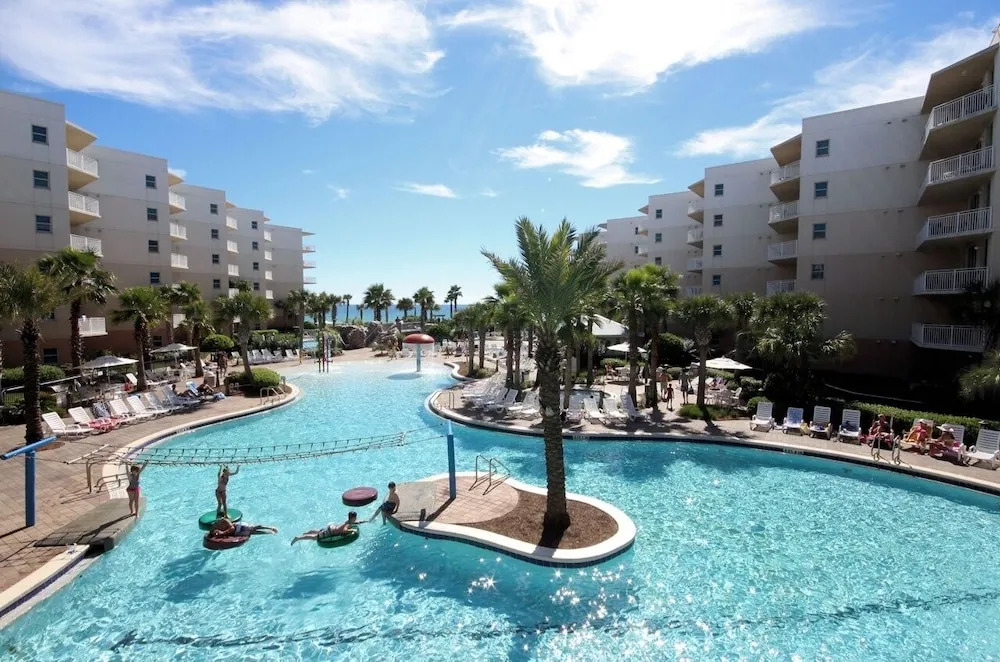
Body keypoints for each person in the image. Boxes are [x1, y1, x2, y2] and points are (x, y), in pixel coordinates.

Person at [290, 512, 360, 545]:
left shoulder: (348, 521)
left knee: (319, 531)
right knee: (315, 537)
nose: (356, 518)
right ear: (353, 518)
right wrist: (352, 530)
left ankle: (306, 533)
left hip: (332, 527)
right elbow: (344, 530)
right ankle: (298, 538)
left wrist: (362, 521)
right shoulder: (348, 523)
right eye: (355, 517)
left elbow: (354, 522)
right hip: (331, 532)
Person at [209, 517, 277, 538]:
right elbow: (214, 533)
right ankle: (268, 533)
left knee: (253, 528)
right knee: (253, 532)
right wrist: (218, 534)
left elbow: (232, 528)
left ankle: (270, 528)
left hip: (239, 527)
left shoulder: (224, 520)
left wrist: (222, 533)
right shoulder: (214, 527)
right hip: (237, 533)